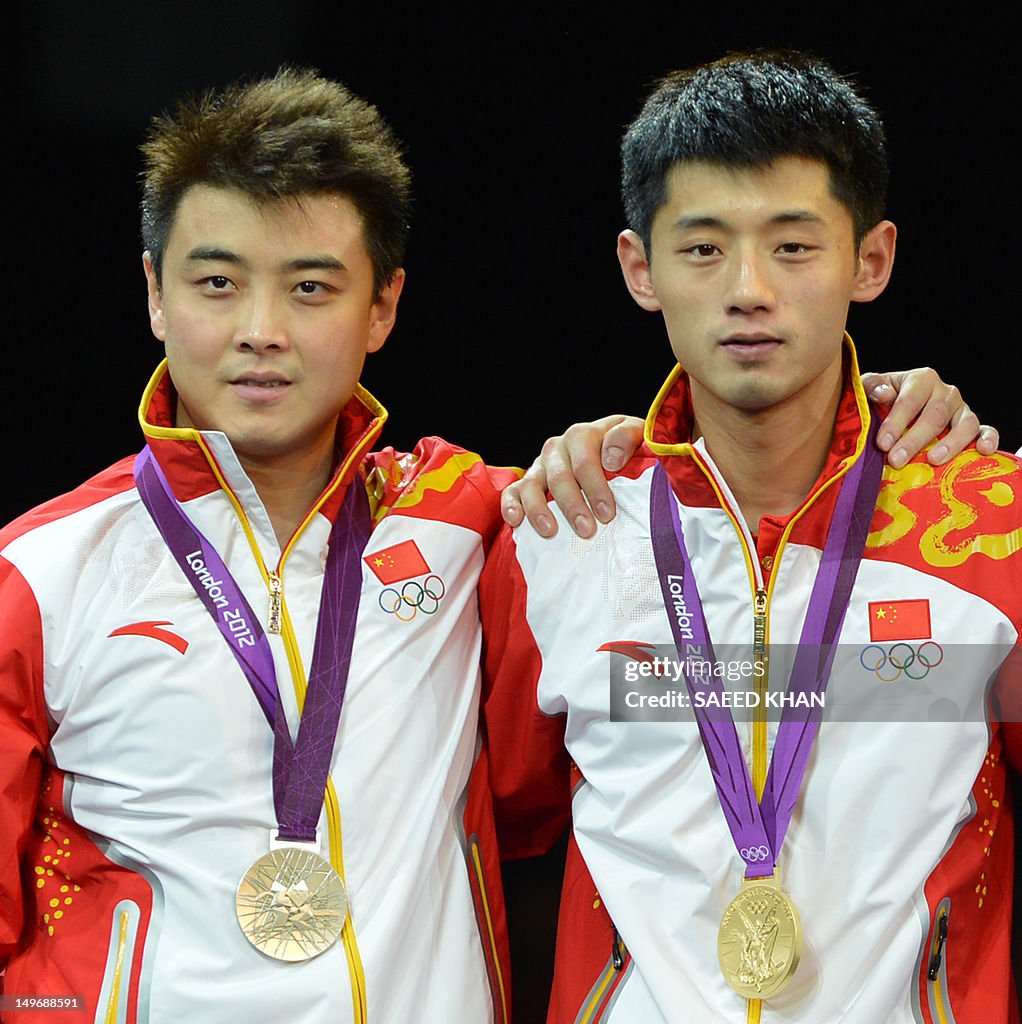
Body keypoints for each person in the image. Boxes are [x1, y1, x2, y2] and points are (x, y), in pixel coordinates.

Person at [0, 65, 993, 1024]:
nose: (261, 329)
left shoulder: (480, 518)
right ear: (153, 293)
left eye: (310, 288)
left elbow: (528, 795)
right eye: (216, 282)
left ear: (380, 305)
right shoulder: (42, 575)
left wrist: (907, 421)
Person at [481, 51, 1021, 1023]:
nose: (746, 289)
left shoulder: (995, 528)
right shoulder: (559, 530)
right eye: (701, 248)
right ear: (637, 268)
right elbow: (491, 819)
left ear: (871, 258)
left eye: (792, 245)